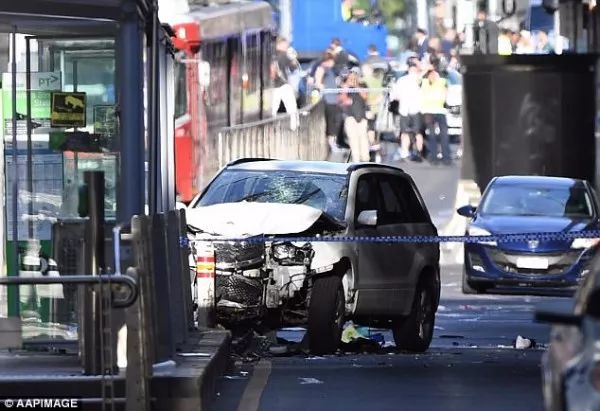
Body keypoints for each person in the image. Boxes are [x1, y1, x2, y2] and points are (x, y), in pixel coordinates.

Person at [391, 59, 424, 162]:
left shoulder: (401, 80)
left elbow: (395, 96)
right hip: (416, 109)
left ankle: (405, 153)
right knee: (418, 133)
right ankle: (418, 152)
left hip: (404, 109)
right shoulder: (420, 79)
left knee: (404, 133)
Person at [420, 63, 451, 165]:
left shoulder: (441, 81)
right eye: (431, 74)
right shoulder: (426, 82)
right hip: (431, 111)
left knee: (441, 135)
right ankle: (437, 158)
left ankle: (442, 158)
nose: (432, 75)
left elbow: (446, 92)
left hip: (437, 110)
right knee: (434, 135)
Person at [315, 51, 343, 152]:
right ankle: (331, 143)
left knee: (336, 121)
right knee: (331, 122)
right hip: (328, 99)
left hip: (334, 99)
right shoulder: (322, 68)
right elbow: (318, 82)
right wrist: (324, 88)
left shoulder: (330, 70)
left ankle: (333, 142)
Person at [340, 69, 370, 162]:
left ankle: (365, 159)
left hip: (361, 116)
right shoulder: (346, 88)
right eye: (350, 78)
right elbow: (343, 100)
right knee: (353, 140)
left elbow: (365, 96)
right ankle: (356, 159)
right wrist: (346, 87)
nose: (352, 80)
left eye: (354, 78)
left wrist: (356, 86)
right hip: (350, 117)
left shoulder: (363, 85)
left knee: (363, 138)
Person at [271, 36, 299, 130]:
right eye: (286, 44)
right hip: (283, 85)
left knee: (273, 108)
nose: (287, 46)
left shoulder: (270, 55)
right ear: (281, 44)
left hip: (272, 86)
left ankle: (271, 127)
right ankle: (294, 126)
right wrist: (293, 59)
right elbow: (294, 68)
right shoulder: (284, 55)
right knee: (291, 107)